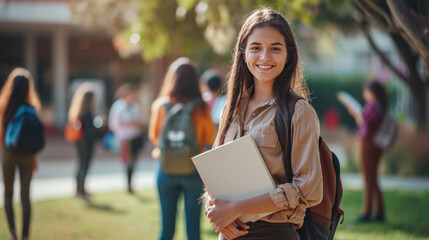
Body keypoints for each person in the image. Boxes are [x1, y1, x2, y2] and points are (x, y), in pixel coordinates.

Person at [204, 8, 323, 240]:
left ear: (288, 54)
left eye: (275, 49)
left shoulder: (299, 112)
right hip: (228, 233)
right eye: (256, 48)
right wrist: (217, 213)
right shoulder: (231, 109)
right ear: (243, 53)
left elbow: (309, 189)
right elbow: (217, 175)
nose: (265, 57)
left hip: (274, 233)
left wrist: (237, 208)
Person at [149, 57, 216, 240]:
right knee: (193, 231)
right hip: (193, 170)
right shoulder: (202, 108)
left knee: (166, 229)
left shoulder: (161, 106)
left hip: (165, 169)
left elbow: (155, 137)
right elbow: (209, 138)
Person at [0, 67, 41, 240]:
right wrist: (35, 158)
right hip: (28, 155)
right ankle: (25, 235)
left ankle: (12, 233)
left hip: (9, 152)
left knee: (8, 193)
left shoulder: (5, 106)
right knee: (26, 195)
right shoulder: (32, 108)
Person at [349, 80, 387, 223]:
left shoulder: (373, 106)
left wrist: (356, 114)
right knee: (373, 179)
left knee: (368, 178)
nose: (365, 93)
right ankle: (379, 212)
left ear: (372, 92)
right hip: (375, 144)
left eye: (366, 90)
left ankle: (367, 212)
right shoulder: (379, 106)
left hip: (369, 144)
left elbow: (366, 126)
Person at [108, 84, 144, 193]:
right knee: (128, 161)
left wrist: (136, 124)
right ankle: (128, 184)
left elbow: (141, 121)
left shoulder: (136, 106)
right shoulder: (118, 107)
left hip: (135, 137)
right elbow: (113, 124)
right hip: (125, 138)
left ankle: (131, 182)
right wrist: (128, 124)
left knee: (134, 161)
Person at [67, 82, 99, 201]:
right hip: (86, 142)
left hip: (79, 141)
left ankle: (80, 189)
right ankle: (80, 190)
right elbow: (90, 130)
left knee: (81, 165)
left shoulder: (78, 111)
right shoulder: (86, 113)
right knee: (84, 165)